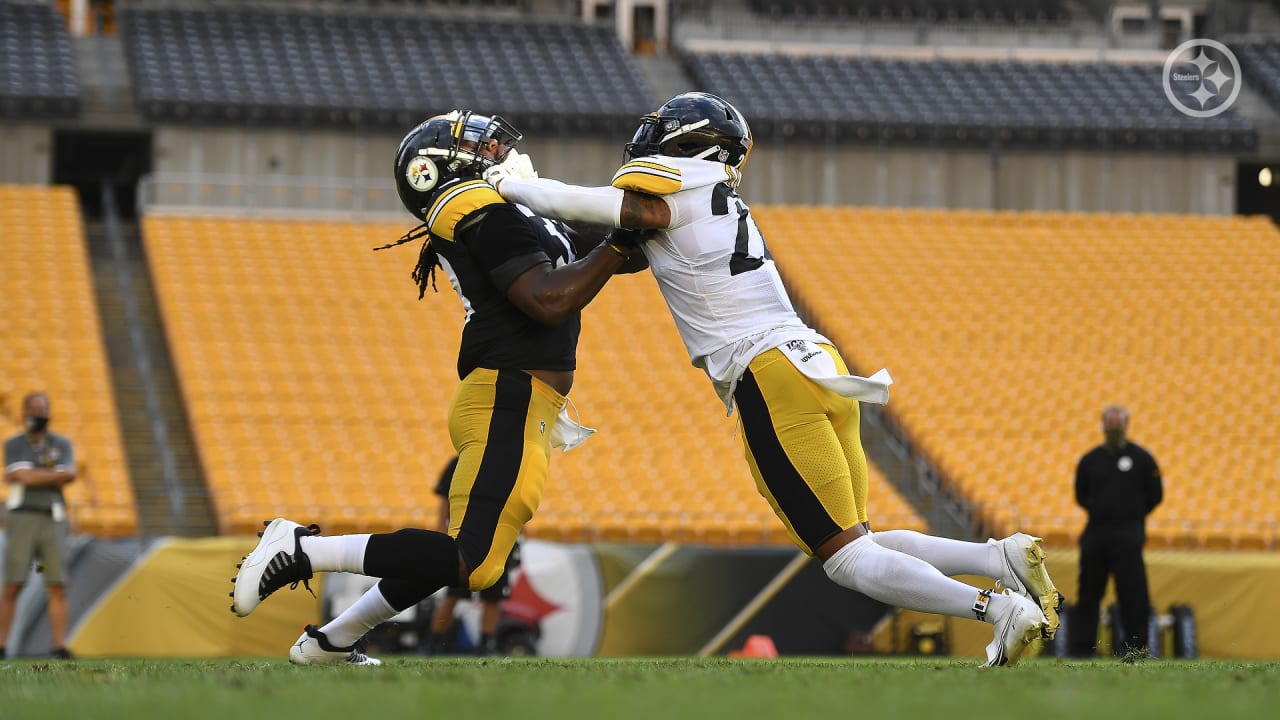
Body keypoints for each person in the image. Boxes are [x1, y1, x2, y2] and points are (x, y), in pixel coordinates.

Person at [484, 91, 1061, 667]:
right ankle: (998, 558)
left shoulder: (673, 183)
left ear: (690, 139)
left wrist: (510, 185)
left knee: (846, 560)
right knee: (859, 540)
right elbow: (619, 240)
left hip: (768, 371)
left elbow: (588, 205)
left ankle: (997, 608)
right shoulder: (712, 195)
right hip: (817, 362)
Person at [230, 110, 647, 665]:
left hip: (522, 396)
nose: (496, 150)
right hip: (507, 389)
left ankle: (331, 642)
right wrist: (619, 239)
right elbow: (550, 299)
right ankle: (302, 549)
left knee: (471, 558)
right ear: (439, 167)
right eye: (480, 144)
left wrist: (643, 218)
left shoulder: (507, 211)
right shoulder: (465, 205)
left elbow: (618, 252)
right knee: (472, 562)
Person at [1070, 404, 1163, 657]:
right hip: (1096, 535)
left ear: (1125, 426)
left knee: (1133, 595)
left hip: (1128, 537)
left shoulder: (1142, 459)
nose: (1113, 430)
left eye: (1117, 425)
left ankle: (1134, 648)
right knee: (1088, 594)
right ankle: (1081, 650)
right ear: (1103, 427)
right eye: (1110, 426)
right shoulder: (1090, 461)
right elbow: (1081, 495)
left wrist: (1131, 517)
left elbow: (1155, 495)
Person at [2, 392, 76, 660]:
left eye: (42, 408)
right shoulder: (15, 444)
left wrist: (32, 475)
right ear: (24, 412)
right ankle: (1, 645)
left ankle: (59, 646)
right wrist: (52, 475)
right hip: (22, 516)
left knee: (57, 584)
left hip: (53, 517)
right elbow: (27, 477)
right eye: (33, 408)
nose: (38, 413)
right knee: (13, 584)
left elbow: (68, 474)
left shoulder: (62, 443)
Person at [425, 455, 520, 656]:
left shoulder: (508, 460)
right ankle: (434, 644)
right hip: (466, 533)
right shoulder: (463, 459)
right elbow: (445, 496)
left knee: (493, 596)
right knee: (453, 593)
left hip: (497, 534)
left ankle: (486, 646)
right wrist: (442, 526)